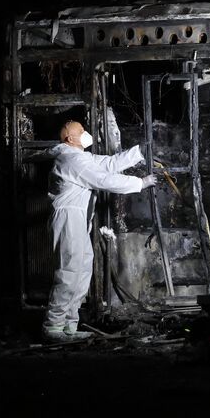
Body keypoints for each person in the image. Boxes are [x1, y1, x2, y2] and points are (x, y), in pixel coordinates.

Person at [41, 120, 157, 342]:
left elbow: (110, 164)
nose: (86, 134)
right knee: (69, 271)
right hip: (68, 217)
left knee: (82, 268)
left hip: (78, 218)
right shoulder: (70, 159)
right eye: (81, 132)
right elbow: (102, 179)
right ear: (69, 139)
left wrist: (138, 152)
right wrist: (139, 183)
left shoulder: (82, 158)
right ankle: (53, 326)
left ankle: (69, 326)